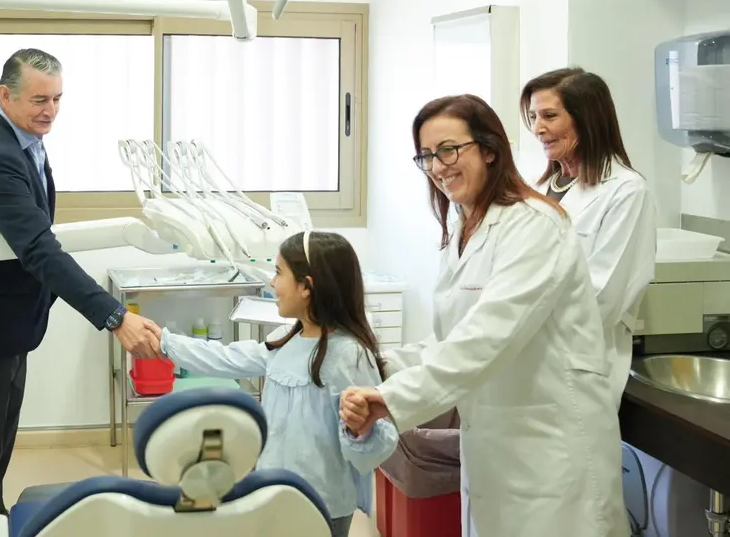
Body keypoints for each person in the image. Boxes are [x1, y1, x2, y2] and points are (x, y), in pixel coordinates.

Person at [338, 94, 627, 537]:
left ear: (489, 150)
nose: (438, 166)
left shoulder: (534, 225)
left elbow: (486, 337)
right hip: (495, 446)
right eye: (427, 156)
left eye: (449, 149)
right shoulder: (463, 228)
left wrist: (391, 400)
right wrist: (375, 364)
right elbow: (449, 339)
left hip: (550, 448)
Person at [0, 48, 160, 537]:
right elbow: (40, 248)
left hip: (14, 318)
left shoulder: (15, 132)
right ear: (5, 95)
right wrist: (114, 316)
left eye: (58, 99)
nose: (51, 110)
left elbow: (36, 233)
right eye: (40, 99)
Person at [148, 231, 398, 537]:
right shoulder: (286, 344)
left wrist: (361, 429)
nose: (272, 283)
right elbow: (225, 358)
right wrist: (164, 341)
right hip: (273, 494)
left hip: (321, 506)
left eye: (279, 273)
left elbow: (373, 448)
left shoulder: (349, 355)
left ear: (307, 286)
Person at [521, 67, 657, 408]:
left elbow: (602, 298)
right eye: (534, 116)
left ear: (587, 119)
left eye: (550, 116)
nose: (538, 128)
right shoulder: (538, 188)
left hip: (576, 368)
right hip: (526, 361)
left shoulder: (626, 191)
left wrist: (516, 321)